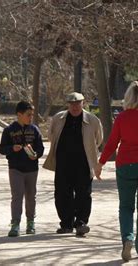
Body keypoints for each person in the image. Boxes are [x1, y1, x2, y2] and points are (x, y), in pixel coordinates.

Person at [95, 81, 138, 262]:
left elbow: (112, 143)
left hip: (126, 164)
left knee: (126, 207)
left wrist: (100, 162)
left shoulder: (122, 118)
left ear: (128, 98)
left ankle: (128, 238)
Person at [43, 92, 103, 237]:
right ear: (68, 104)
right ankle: (66, 223)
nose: (75, 106)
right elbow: (51, 136)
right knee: (62, 194)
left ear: (83, 103)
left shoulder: (93, 120)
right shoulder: (58, 118)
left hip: (84, 163)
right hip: (63, 163)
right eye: (72, 104)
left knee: (84, 194)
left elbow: (99, 139)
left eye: (78, 103)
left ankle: (81, 222)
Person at [0, 101, 44, 237]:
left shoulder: (34, 130)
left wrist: (36, 155)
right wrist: (12, 148)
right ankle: (15, 224)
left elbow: (40, 148)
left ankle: (30, 222)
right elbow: (2, 148)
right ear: (19, 114)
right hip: (15, 168)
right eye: (28, 115)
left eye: (32, 115)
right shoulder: (9, 130)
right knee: (17, 196)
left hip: (31, 169)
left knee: (31, 196)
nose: (31, 117)